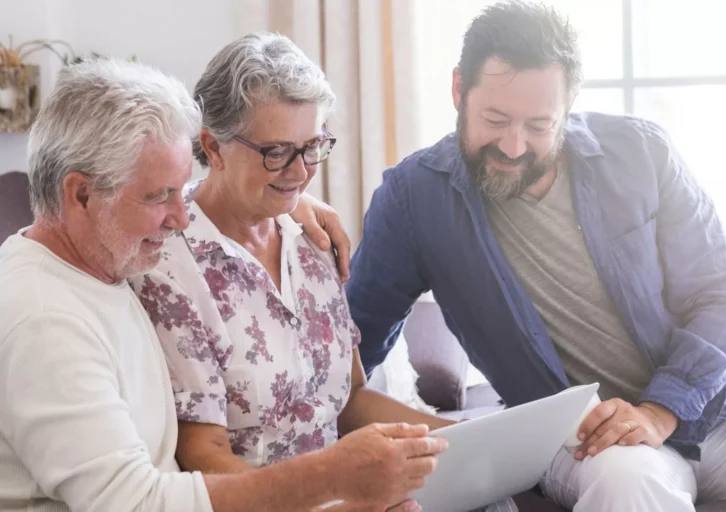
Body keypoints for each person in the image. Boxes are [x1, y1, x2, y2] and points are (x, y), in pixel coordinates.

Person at [346, 1, 726, 510]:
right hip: (586, 440)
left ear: (569, 104)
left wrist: (660, 410)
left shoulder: (640, 151)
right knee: (626, 485)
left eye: (540, 125)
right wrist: (290, 204)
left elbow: (723, 295)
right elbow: (350, 346)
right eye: (495, 119)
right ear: (459, 90)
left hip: (720, 408)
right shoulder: (413, 199)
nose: (514, 145)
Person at [0, 58, 447, 512]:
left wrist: (285, 199)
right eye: (159, 197)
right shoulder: (45, 320)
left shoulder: (103, 263)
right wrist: (333, 485)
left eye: (179, 190)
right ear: (80, 196)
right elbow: (133, 505)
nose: (180, 219)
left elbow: (215, 194)